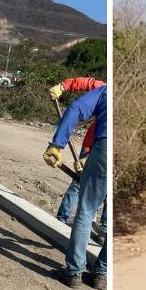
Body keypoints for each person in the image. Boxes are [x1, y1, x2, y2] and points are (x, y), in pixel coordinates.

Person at [43, 85, 107, 290]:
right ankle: (101, 275)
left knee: (87, 211)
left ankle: (74, 272)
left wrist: (57, 144)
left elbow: (76, 109)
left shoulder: (106, 90)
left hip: (105, 148)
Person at [49, 77, 105, 225]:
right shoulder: (103, 89)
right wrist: (62, 86)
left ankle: (104, 227)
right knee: (78, 183)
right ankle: (62, 219)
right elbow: (83, 83)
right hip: (91, 147)